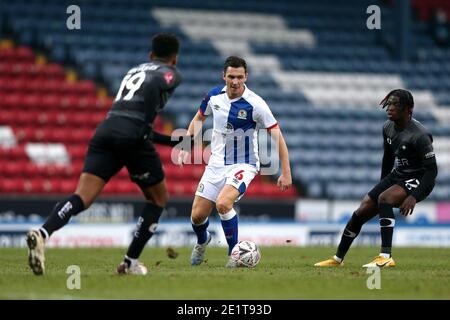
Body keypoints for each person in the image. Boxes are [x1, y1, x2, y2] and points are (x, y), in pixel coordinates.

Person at [26, 33, 183, 276]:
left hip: (106, 130)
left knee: (82, 197)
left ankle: (42, 233)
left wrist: (169, 139)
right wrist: (159, 132)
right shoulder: (169, 72)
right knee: (158, 198)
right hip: (132, 136)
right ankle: (129, 262)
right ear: (174, 58)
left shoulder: (134, 70)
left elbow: (135, 117)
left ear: (150, 55)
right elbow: (155, 88)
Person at [177, 56, 292, 267]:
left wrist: (286, 172)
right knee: (197, 216)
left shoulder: (256, 104)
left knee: (223, 203)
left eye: (240, 77)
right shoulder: (213, 96)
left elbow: (278, 137)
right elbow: (199, 118)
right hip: (216, 163)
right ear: (224, 76)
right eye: (231, 76)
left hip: (244, 164)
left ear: (246, 76)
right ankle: (203, 241)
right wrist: (185, 145)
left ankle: (234, 255)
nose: (235, 81)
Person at [315, 89, 437, 268]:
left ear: (408, 109)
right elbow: (388, 157)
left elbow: (432, 171)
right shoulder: (387, 127)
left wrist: (414, 196)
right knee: (361, 210)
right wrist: (382, 184)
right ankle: (337, 259)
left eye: (396, 104)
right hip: (398, 174)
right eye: (389, 103)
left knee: (385, 199)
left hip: (419, 177)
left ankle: (386, 256)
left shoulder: (419, 136)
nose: (390, 108)